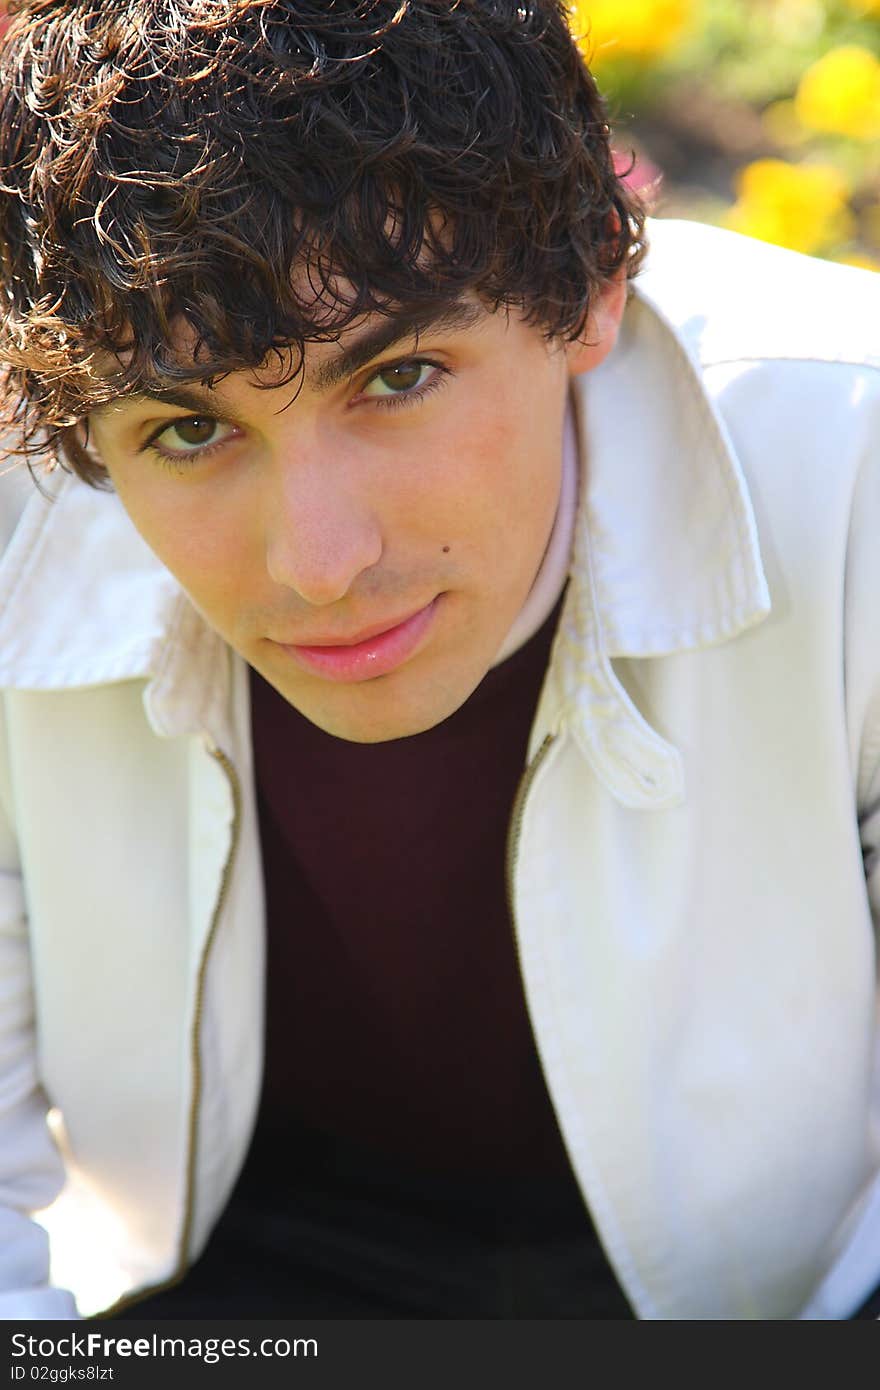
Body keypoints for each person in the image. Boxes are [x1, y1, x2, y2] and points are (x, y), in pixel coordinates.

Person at [0, 0, 877, 1323]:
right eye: (188, 432)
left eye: (398, 377)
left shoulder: (855, 457)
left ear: (590, 284)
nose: (320, 560)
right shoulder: (19, 511)